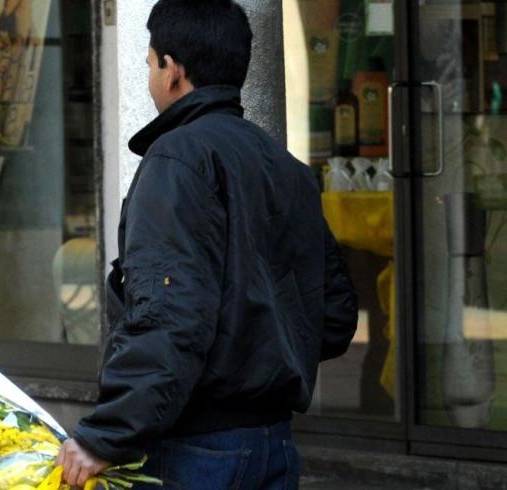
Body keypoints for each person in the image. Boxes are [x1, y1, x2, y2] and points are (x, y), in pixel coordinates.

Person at [56, 1, 358, 488]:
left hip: (196, 451)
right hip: (274, 443)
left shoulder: (176, 159)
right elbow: (335, 316)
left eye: (151, 64)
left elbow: (167, 315)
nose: (152, 77)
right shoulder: (285, 166)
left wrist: (105, 437)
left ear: (171, 70)